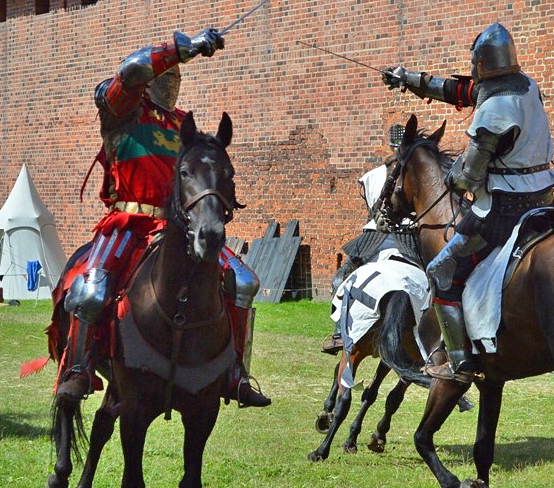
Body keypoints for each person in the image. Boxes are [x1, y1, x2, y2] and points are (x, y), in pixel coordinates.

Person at [55, 28, 270, 407]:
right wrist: (181, 50)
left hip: (177, 226)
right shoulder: (123, 111)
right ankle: (79, 370)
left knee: (244, 282)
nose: (171, 80)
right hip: (127, 222)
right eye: (165, 72)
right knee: (92, 292)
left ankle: (235, 373)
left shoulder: (183, 124)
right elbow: (132, 70)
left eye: (176, 75)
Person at [381, 22, 554, 383]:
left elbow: (468, 178)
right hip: (544, 201)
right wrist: (409, 79)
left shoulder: (492, 112)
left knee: (442, 271)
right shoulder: (527, 86)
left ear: (480, 63)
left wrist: (452, 174)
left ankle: (460, 361)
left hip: (501, 211)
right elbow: (462, 90)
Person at [322, 124, 422, 354]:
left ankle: (438, 338)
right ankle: (340, 333)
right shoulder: (373, 176)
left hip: (409, 239)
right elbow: (372, 211)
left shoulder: (417, 174)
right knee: (340, 279)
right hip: (375, 238)